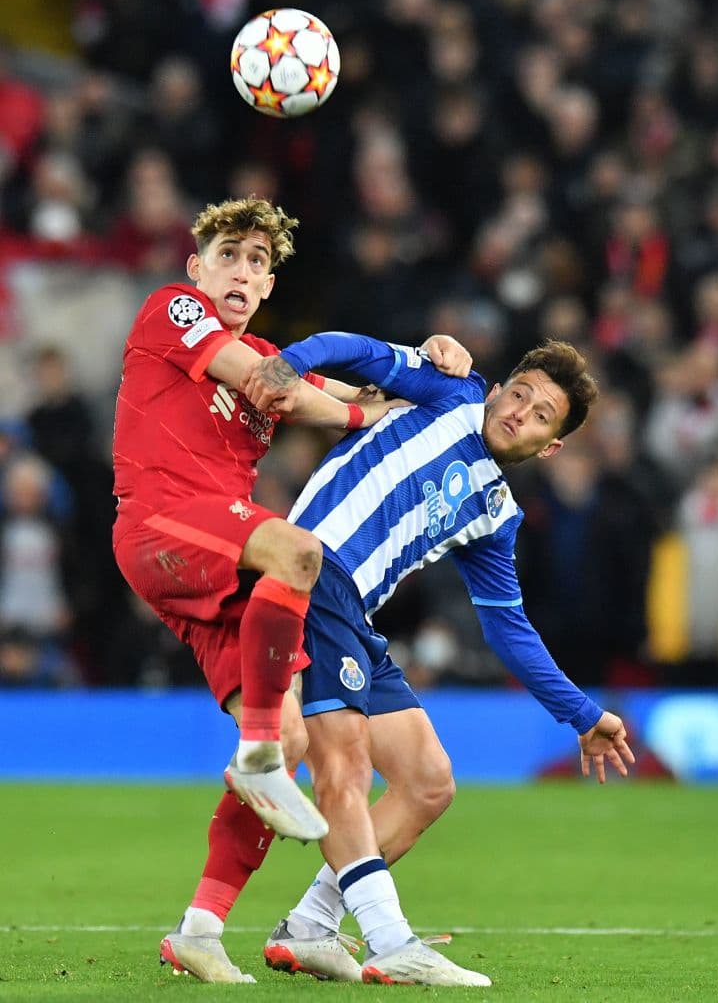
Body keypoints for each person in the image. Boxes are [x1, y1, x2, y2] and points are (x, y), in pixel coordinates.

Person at [165, 333, 635, 986]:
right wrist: (291, 364)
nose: (518, 413)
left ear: (550, 447)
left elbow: (507, 627)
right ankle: (389, 941)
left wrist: (581, 714)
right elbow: (354, 351)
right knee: (341, 761)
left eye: (539, 415)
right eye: (519, 393)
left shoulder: (495, 512)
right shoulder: (449, 388)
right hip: (311, 572)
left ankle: (306, 927)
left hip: (354, 615)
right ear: (499, 387)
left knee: (426, 781)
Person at [110, 196, 471, 980]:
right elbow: (270, 383)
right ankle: (260, 754)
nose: (241, 271)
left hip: (214, 560)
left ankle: (199, 930)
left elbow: (313, 397)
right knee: (297, 553)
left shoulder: (272, 351)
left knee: (301, 736)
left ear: (269, 287)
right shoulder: (172, 311)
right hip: (161, 522)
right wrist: (354, 402)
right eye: (229, 255)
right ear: (196, 267)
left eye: (257, 263)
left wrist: (422, 370)